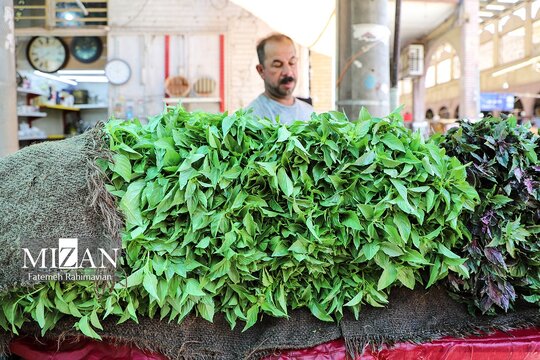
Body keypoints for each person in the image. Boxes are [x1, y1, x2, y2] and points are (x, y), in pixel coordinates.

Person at [247, 33, 314, 124]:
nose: (288, 72)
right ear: (261, 70)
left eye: (292, 62)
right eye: (277, 65)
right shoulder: (251, 119)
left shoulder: (309, 113)